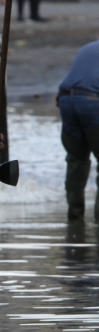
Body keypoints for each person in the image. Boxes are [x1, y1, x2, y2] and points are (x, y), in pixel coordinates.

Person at [57, 41, 99, 221]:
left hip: (66, 101)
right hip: (92, 102)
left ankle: (74, 217)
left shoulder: (87, 47)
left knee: (76, 161)